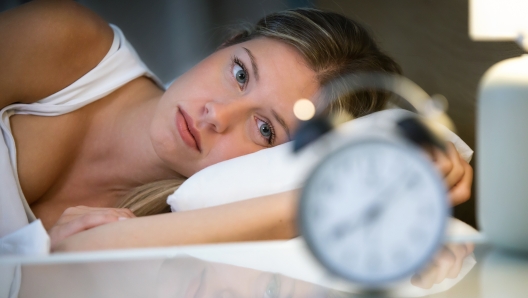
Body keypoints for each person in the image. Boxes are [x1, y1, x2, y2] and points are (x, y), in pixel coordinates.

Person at [0, 0, 472, 253]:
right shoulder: (65, 43)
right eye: (241, 73)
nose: (217, 115)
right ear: (228, 43)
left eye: (265, 129)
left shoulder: (182, 230)